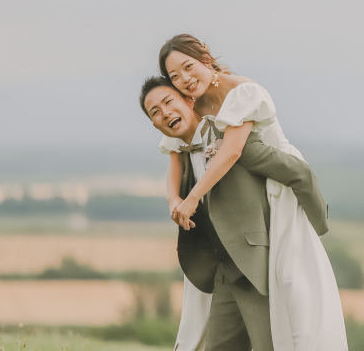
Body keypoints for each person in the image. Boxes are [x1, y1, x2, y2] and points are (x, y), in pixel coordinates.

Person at [145, 34, 347, 351]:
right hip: (239, 204)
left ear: (205, 57)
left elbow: (233, 151)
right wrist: (176, 200)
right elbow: (178, 153)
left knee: (293, 283)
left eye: (188, 67)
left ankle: (319, 215)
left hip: (274, 180)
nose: (184, 79)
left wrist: (193, 197)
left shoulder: (242, 91)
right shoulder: (188, 104)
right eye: (175, 77)